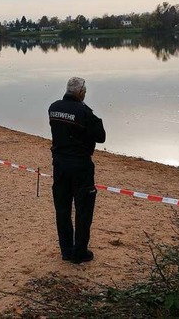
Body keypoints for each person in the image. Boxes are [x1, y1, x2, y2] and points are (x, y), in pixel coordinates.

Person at [48, 77, 106, 264]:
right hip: (80, 166)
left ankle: (66, 250)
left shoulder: (53, 108)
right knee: (83, 209)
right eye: (85, 91)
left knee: (62, 209)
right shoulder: (84, 112)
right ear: (81, 92)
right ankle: (79, 252)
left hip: (59, 164)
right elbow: (101, 136)